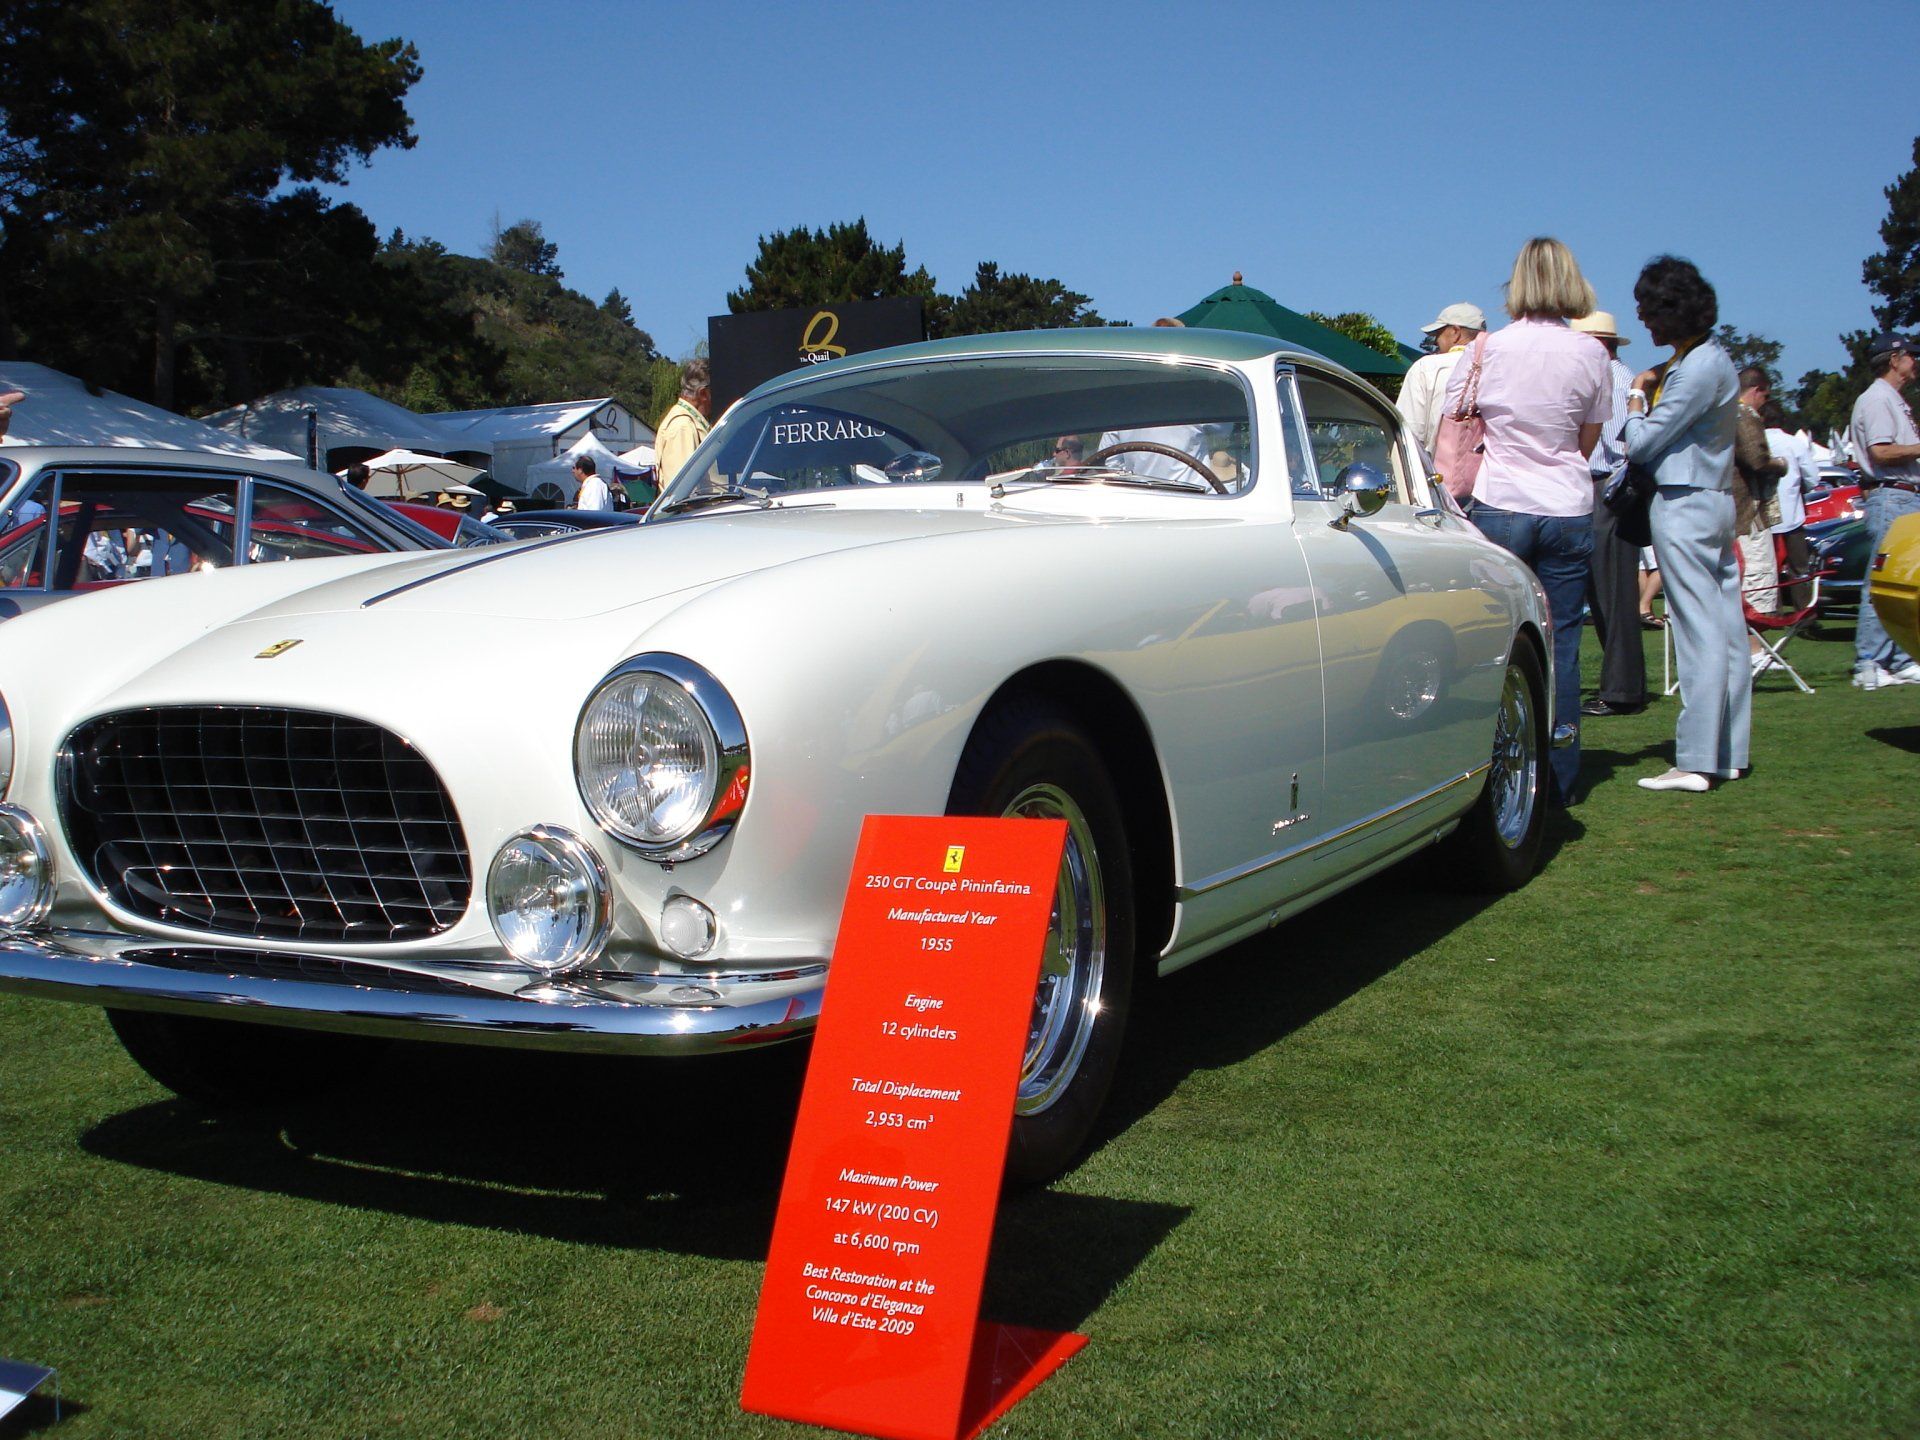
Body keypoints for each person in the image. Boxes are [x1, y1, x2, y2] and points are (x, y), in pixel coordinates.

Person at [1443, 237, 1609, 804]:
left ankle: (1493, 769)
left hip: (1501, 500)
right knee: (1562, 641)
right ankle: (1559, 774)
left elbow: (1457, 423)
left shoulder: (1489, 349)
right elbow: (1587, 440)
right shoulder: (1591, 355)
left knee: (1495, 645)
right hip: (1566, 505)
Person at [1622, 256, 1744, 793]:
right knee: (1726, 630)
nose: (1644, 320)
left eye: (1649, 310)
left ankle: (1695, 760)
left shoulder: (1695, 368)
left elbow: (1644, 441)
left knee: (1699, 632)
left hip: (1685, 502)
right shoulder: (1711, 360)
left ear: (1673, 309)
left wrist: (1633, 398)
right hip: (1712, 500)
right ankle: (1727, 751)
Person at [1571, 310, 1645, 717]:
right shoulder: (1615, 378)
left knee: (1612, 594)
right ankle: (1623, 685)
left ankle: (1622, 691)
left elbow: (1622, 446)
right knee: (1607, 593)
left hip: (1608, 490)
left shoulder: (1614, 382)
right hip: (1601, 489)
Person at [1844, 332, 1920, 688]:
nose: (1915, 362)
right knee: (1884, 581)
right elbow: (1881, 451)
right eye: (1911, 356)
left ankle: (1902, 657)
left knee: (1905, 582)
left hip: (1903, 495)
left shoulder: (1892, 399)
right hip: (1892, 495)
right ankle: (1869, 662)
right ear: (1895, 359)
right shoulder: (1877, 399)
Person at [1732, 367, 1786, 640]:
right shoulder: (1744, 415)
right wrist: (1780, 465)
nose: (1765, 402)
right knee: (1756, 577)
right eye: (1765, 396)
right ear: (1756, 391)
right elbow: (1757, 459)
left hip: (1738, 511)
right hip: (1748, 512)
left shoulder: (1726, 414)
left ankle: (1753, 647)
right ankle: (1754, 649)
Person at [1397, 303, 1486, 453]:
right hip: (1489, 472)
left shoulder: (1426, 367)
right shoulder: (1497, 367)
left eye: (1438, 334)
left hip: (1439, 471)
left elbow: (1408, 432)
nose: (1436, 341)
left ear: (1455, 332)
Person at [1763, 402, 1818, 612]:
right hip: (1792, 513)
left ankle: (1771, 609)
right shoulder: (1794, 443)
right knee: (1799, 568)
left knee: (1768, 567)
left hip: (1763, 515)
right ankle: (1803, 610)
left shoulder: (1756, 443)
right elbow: (1812, 477)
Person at [656, 358, 712, 487]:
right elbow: (683, 494)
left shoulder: (685, 422)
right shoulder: (683, 426)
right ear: (703, 393)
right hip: (702, 508)